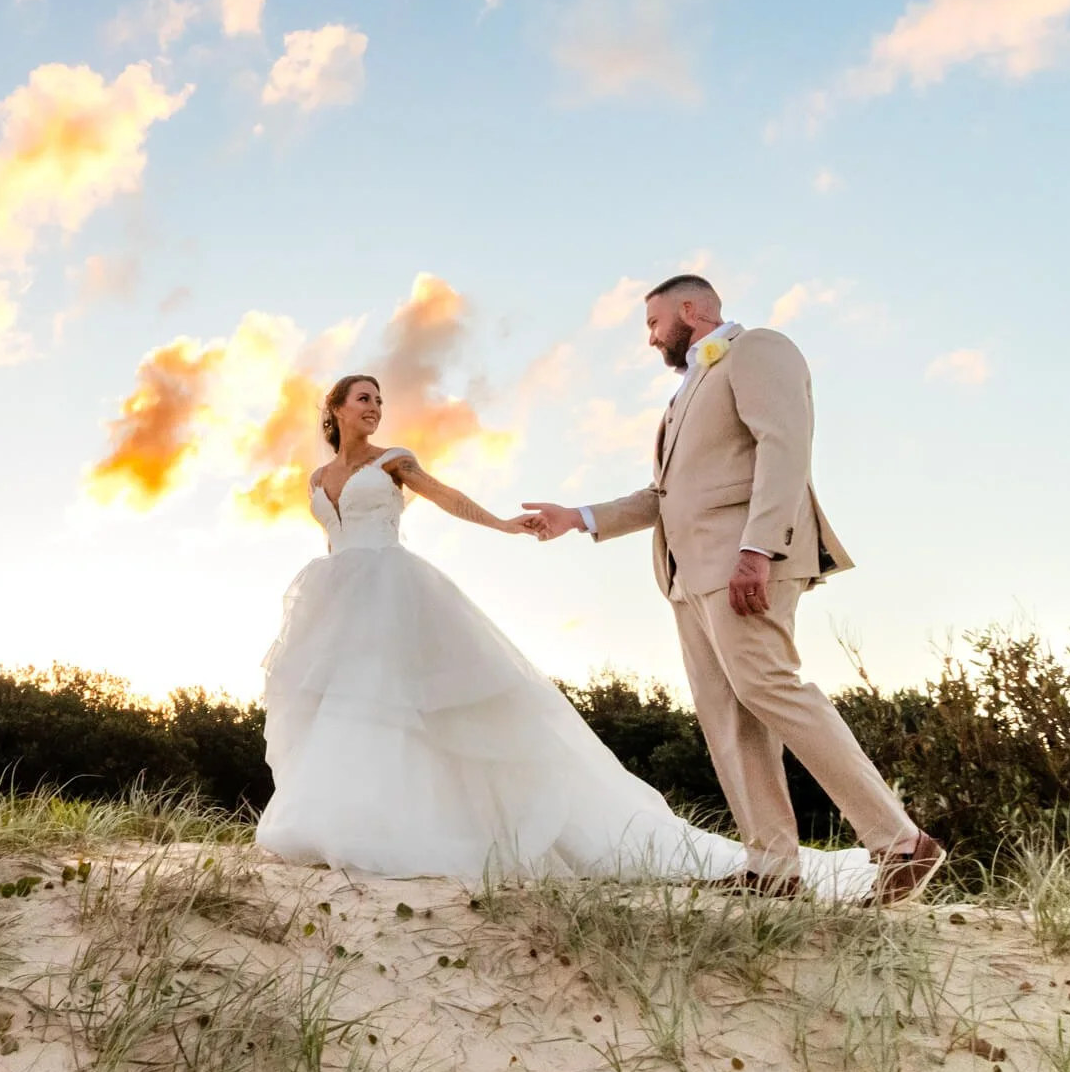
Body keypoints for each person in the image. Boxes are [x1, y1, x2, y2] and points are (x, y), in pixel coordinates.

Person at [255, 372, 878, 902]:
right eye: (362, 398)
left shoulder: (395, 462)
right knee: (340, 705)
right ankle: (340, 819)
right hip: (338, 595)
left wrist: (502, 524)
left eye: (379, 399)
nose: (374, 407)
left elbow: (445, 496)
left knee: (408, 704)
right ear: (336, 409)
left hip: (393, 589)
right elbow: (333, 535)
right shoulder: (316, 478)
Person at [525, 274, 944, 906]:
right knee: (727, 711)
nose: (650, 337)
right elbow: (665, 496)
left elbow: (786, 447)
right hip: (688, 576)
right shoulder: (685, 393)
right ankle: (772, 863)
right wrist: (579, 517)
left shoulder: (757, 349)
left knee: (769, 685)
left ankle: (901, 843)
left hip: (746, 560)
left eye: (653, 322)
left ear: (691, 309)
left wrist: (758, 548)